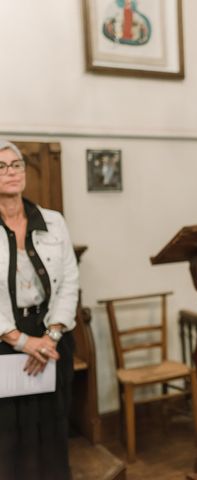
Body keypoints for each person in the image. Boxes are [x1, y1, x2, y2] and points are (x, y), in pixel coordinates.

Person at [0, 141, 79, 479]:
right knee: (9, 434)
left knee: (53, 428)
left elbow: (70, 282)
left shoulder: (53, 221)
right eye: (0, 167)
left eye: (15, 164)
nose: (10, 172)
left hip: (52, 335)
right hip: (5, 339)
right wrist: (21, 342)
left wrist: (51, 336)